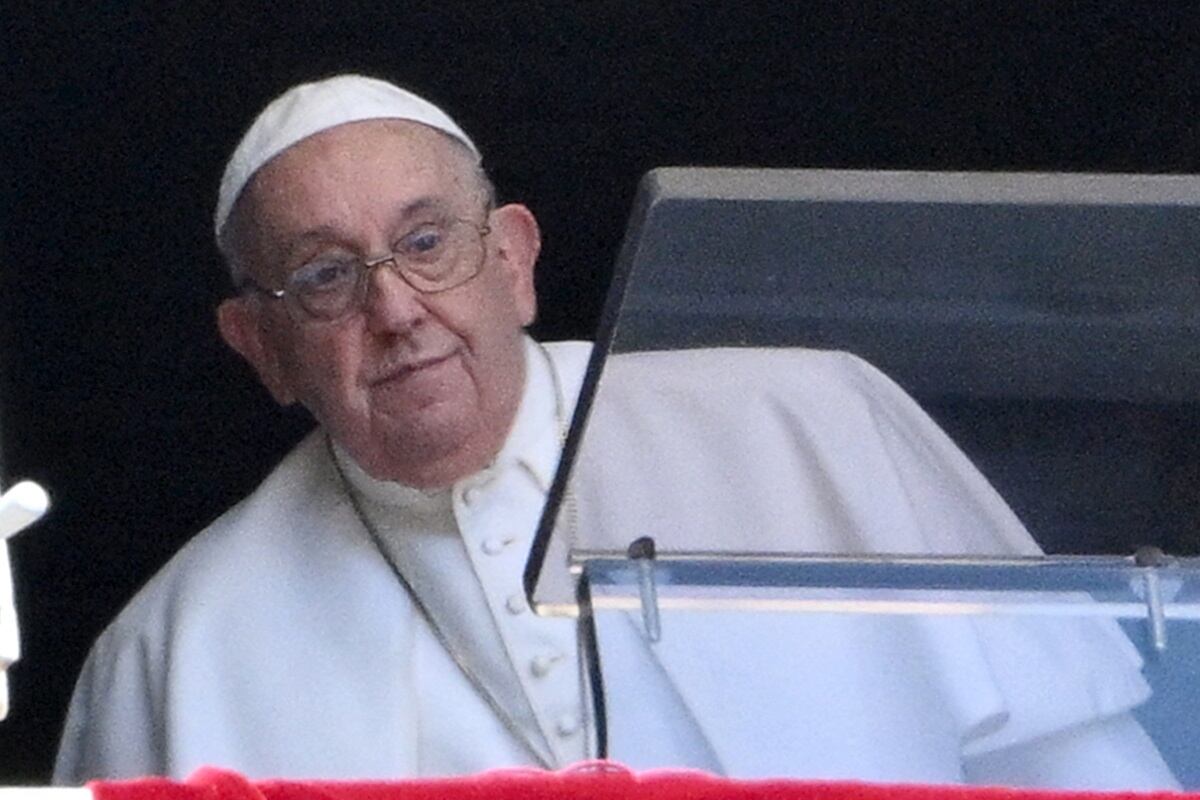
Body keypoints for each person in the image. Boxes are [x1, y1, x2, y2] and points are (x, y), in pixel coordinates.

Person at [53, 75, 1178, 788]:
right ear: (260, 345)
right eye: (327, 275)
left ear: (517, 258)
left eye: (429, 242)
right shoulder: (173, 651)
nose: (396, 311)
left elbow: (1088, 776)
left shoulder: (809, 421)